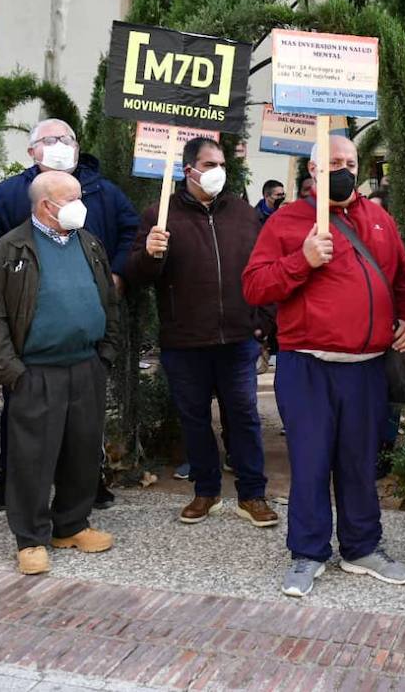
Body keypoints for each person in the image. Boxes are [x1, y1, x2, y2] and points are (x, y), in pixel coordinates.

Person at [243, 134, 405, 599]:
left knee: (360, 462)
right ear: (313, 171)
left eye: (349, 161)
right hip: (308, 365)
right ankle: (307, 551)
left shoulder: (378, 219)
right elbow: (255, 286)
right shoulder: (286, 221)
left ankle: (362, 547)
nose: (343, 167)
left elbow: (401, 278)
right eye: (333, 161)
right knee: (311, 460)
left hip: (366, 367)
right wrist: (301, 261)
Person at [0, 119, 137, 512]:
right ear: (32, 151)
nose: (60, 145)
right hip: (31, 355)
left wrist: (118, 273)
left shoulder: (100, 194)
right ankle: (14, 495)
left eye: (67, 139)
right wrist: (8, 276)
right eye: (50, 139)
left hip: (84, 354)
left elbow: (131, 233)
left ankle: (82, 500)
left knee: (83, 431)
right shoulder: (11, 194)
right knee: (26, 435)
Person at [0, 171, 121, 576]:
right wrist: (12, 370)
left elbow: (108, 300)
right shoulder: (10, 249)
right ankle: (31, 539)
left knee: (82, 450)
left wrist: (105, 352)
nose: (80, 204)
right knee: (32, 459)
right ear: (45, 206)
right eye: (71, 198)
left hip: (86, 366)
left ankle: (71, 525)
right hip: (35, 371)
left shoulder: (88, 242)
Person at [127, 137, 278, 529]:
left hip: (238, 338)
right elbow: (138, 275)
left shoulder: (244, 214)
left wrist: (262, 323)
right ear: (188, 169)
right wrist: (150, 252)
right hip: (185, 339)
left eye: (222, 164)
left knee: (243, 415)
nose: (218, 172)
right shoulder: (159, 215)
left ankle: (252, 494)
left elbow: (265, 269)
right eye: (210, 164)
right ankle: (205, 491)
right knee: (194, 418)